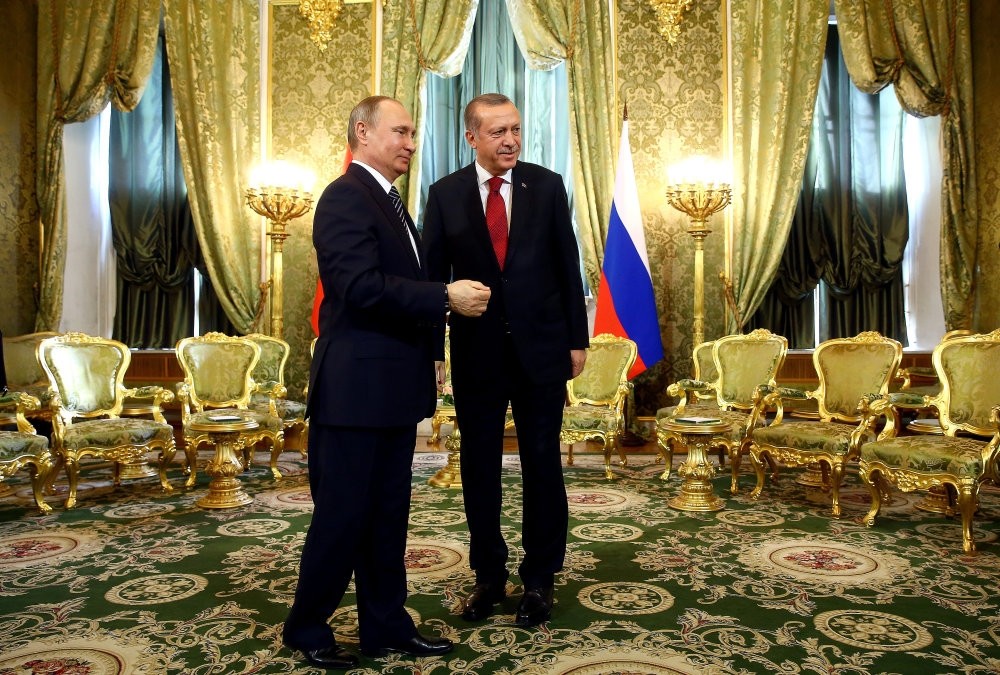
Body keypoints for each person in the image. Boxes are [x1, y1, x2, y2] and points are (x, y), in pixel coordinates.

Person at [283, 95, 491, 670]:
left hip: (392, 391)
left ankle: (384, 625)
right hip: (353, 394)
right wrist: (444, 297)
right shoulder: (345, 197)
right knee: (342, 517)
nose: (410, 141)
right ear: (362, 131)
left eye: (412, 132)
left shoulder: (392, 202)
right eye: (400, 131)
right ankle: (305, 627)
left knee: (386, 518)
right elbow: (359, 287)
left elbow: (404, 281)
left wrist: (433, 351)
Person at [422, 93, 590, 628]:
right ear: (471, 137)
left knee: (543, 464)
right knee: (479, 467)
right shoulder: (444, 194)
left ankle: (540, 579)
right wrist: (432, 351)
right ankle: (488, 577)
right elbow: (432, 280)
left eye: (515, 129)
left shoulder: (547, 185)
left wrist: (576, 340)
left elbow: (569, 265)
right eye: (497, 132)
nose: (511, 140)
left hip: (542, 350)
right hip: (478, 352)